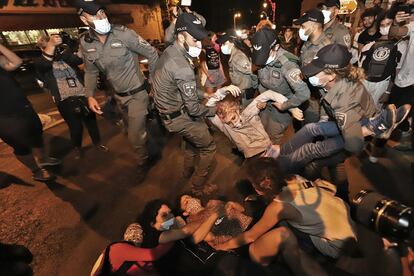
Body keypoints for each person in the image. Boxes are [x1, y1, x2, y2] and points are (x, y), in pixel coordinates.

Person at [215, 157, 354, 275]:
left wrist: (224, 246)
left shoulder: (278, 207)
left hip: (336, 244)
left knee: (273, 238)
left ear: (258, 189)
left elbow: (251, 235)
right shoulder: (295, 178)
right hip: (346, 224)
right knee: (287, 220)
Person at [75, 0, 158, 179]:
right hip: (119, 97)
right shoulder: (85, 42)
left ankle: (143, 160)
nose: (101, 17)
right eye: (94, 15)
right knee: (130, 130)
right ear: (83, 19)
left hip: (138, 94)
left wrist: (153, 82)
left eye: (102, 12)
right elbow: (90, 71)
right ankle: (146, 142)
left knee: (134, 137)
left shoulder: (124, 34)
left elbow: (151, 53)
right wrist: (89, 95)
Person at [152, 13, 223, 196]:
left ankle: (187, 172)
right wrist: (215, 109)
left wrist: (205, 93)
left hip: (169, 113)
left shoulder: (170, 51)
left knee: (192, 142)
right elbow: (193, 108)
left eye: (201, 39)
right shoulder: (181, 66)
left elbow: (182, 89)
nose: (199, 45)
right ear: (181, 36)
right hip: (179, 116)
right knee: (208, 147)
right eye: (195, 40)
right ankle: (197, 188)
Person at [35, 34, 108, 159]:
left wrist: (70, 46)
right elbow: (43, 65)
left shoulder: (64, 57)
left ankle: (98, 143)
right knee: (75, 127)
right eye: (49, 46)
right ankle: (77, 147)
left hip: (82, 95)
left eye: (55, 46)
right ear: (43, 48)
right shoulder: (40, 62)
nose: (54, 49)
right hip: (65, 100)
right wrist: (51, 46)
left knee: (91, 122)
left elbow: (78, 60)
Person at [0, 43, 60, 182]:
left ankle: (43, 159)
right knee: (21, 146)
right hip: (4, 117)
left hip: (23, 107)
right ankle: (37, 170)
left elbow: (17, 62)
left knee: (36, 135)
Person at [251, 27, 310, 143]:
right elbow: (262, 83)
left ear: (276, 47)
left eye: (264, 56)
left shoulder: (288, 65)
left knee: (272, 137)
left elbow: (304, 93)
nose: (261, 61)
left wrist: (287, 106)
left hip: (281, 109)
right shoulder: (260, 57)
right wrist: (262, 99)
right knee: (261, 131)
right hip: (266, 105)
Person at [90, 223, 173, 275]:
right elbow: (154, 254)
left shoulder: (125, 254)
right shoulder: (118, 250)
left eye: (141, 233)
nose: (138, 235)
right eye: (135, 232)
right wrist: (174, 228)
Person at [295, 8, 332, 124]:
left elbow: (329, 83)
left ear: (314, 26)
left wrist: (324, 115)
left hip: (316, 101)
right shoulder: (308, 43)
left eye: (303, 26)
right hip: (305, 96)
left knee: (309, 132)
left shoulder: (326, 48)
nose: (301, 29)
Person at [179, 193, 252, 249]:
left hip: (250, 225)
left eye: (189, 197)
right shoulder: (192, 222)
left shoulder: (212, 203)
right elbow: (209, 239)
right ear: (185, 213)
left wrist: (232, 204)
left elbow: (242, 209)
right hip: (238, 241)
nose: (191, 200)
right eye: (186, 202)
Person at [388, 3, 414, 150]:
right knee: (392, 112)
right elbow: (394, 33)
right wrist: (396, 22)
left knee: (400, 114)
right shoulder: (412, 26)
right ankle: (403, 133)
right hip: (402, 79)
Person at [216, 32, 258, 107]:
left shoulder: (238, 57)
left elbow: (251, 70)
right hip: (241, 91)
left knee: (245, 115)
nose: (222, 46)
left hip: (245, 93)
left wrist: (254, 87)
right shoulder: (234, 54)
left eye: (224, 44)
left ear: (232, 43)